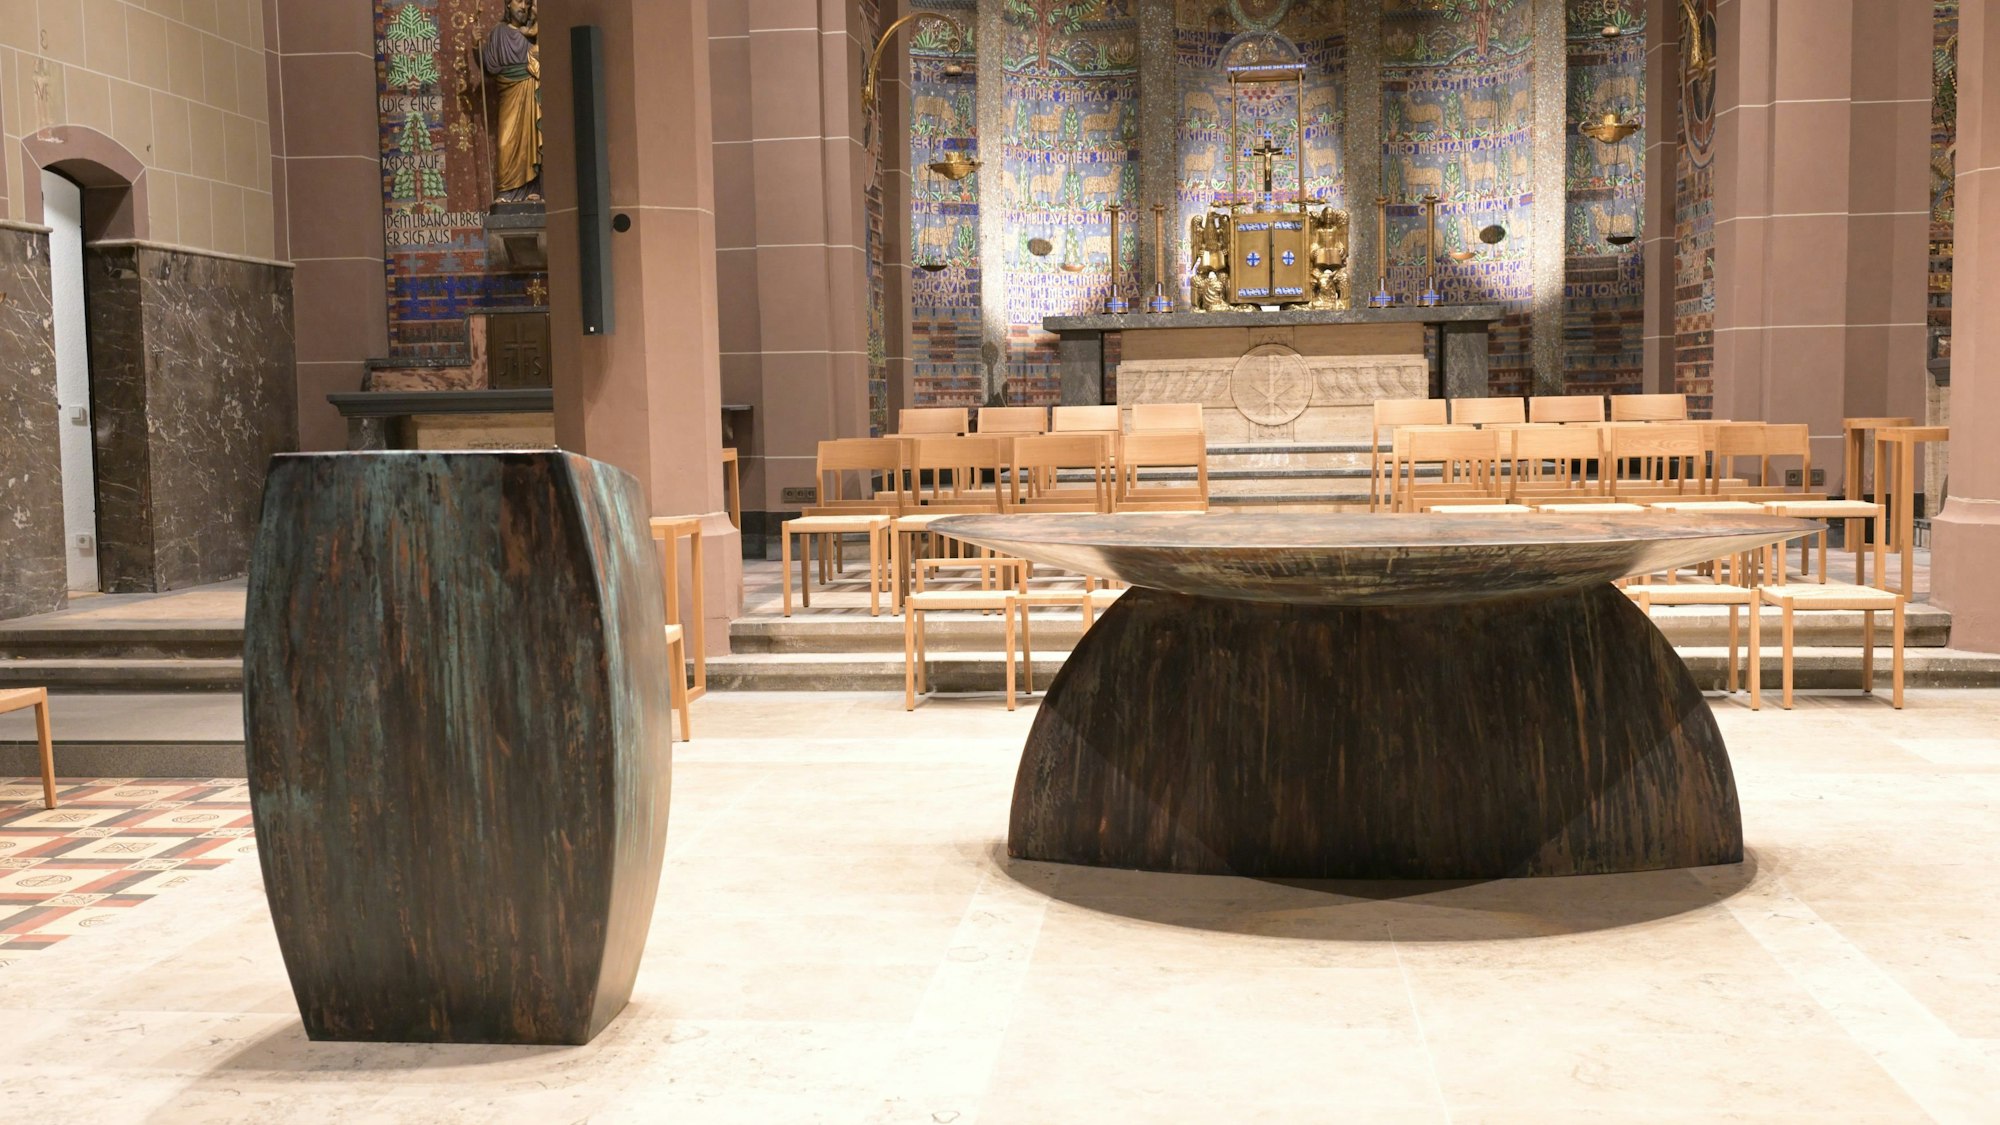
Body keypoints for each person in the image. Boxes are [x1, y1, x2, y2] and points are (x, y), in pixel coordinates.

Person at [483, 0, 541, 201]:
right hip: (509, 91)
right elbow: (490, 66)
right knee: (504, 142)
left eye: (527, 2)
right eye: (518, 1)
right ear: (508, 4)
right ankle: (506, 191)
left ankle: (533, 188)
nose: (523, 7)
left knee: (532, 140)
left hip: (530, 89)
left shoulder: (533, 34)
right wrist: (475, 47)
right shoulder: (499, 32)